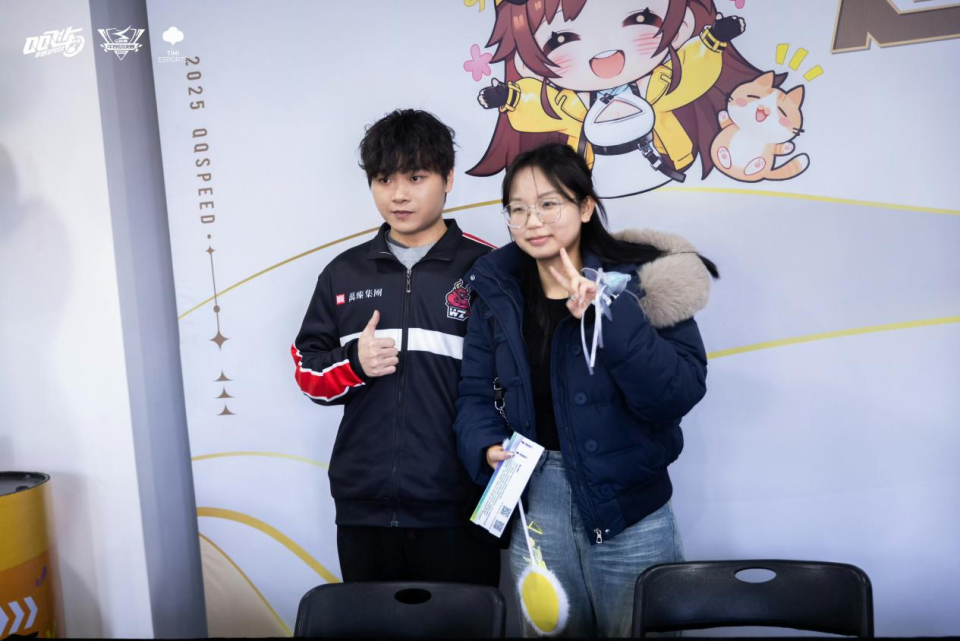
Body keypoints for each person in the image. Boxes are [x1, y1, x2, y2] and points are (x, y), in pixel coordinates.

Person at [453, 142, 717, 635]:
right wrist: (485, 443)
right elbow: (475, 392)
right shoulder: (496, 288)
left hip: (629, 507)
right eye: (518, 209)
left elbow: (676, 393)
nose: (533, 221)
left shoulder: (642, 279)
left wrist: (610, 316)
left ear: (586, 206)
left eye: (549, 203)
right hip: (536, 501)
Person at [292, 109, 499, 586]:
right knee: (371, 622)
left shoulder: (489, 269)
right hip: (363, 507)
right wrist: (354, 364)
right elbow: (307, 372)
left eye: (416, 177)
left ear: (448, 179)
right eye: (384, 179)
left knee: (466, 622)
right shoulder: (343, 274)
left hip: (459, 504)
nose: (399, 194)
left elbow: (514, 381)